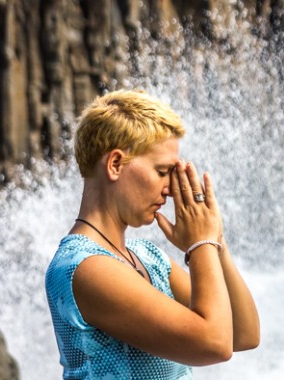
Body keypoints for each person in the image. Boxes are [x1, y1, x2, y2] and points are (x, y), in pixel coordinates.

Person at [45, 90, 260, 379]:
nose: (171, 189)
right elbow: (214, 344)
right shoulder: (85, 267)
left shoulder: (149, 258)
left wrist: (215, 240)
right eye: (162, 172)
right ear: (115, 164)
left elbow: (243, 334)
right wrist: (201, 244)